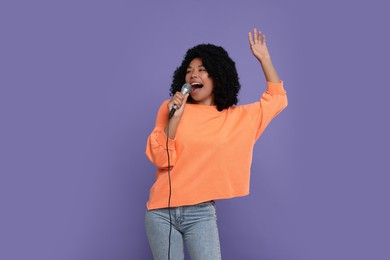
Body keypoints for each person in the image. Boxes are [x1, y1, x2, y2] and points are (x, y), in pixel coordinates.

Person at [144, 28, 288, 260]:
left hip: (200, 213)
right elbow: (160, 159)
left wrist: (265, 59)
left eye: (202, 70)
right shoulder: (169, 108)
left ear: (218, 76)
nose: (193, 75)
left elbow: (278, 99)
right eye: (189, 71)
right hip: (160, 213)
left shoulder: (238, 118)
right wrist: (175, 118)